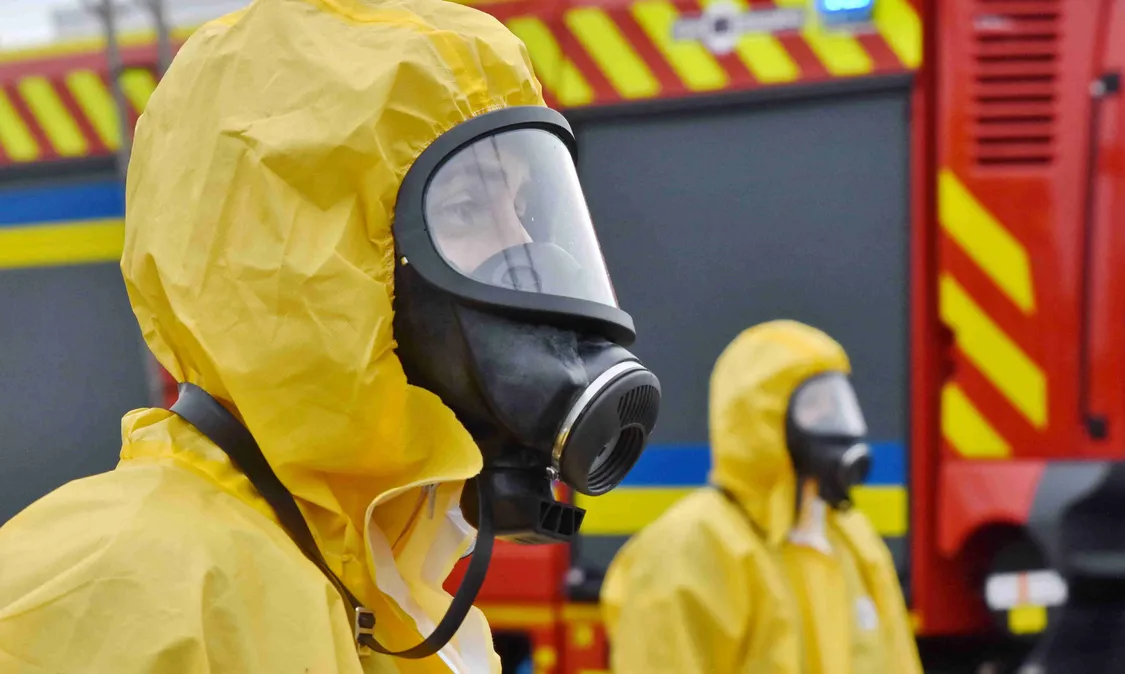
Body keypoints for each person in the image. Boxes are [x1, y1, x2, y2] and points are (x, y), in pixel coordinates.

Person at [0, 0, 661, 672]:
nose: (526, 254)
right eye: (467, 208)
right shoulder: (111, 602)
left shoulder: (402, 608)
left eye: (522, 209)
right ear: (292, 259)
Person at [600, 320, 921, 674]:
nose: (834, 420)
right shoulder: (691, 548)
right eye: (815, 404)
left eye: (837, 402)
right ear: (762, 419)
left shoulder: (853, 541)